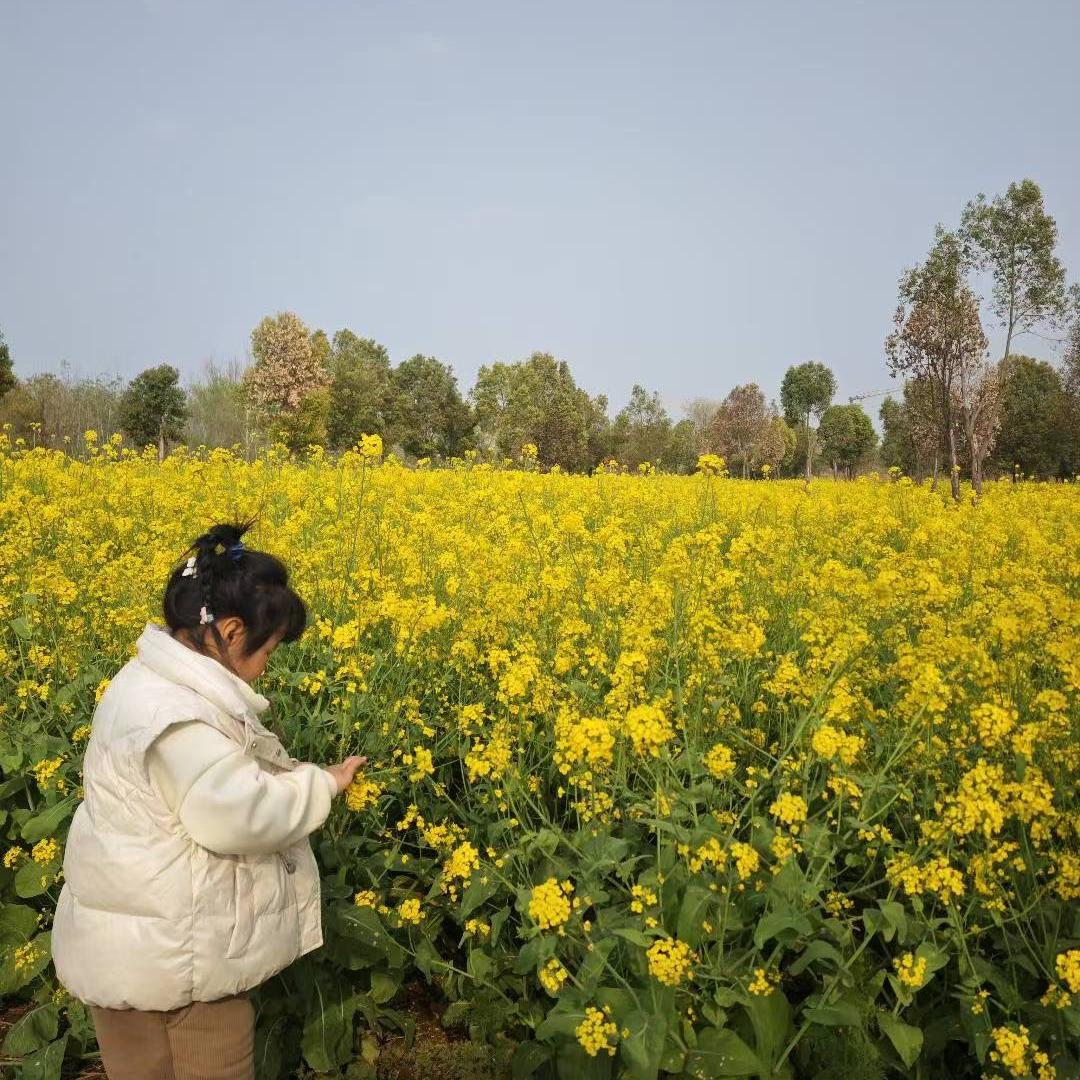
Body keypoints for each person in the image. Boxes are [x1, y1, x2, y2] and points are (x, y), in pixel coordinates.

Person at [51, 520, 366, 1080]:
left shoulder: (143, 683)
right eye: (268, 649)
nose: (270, 665)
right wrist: (323, 784)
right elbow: (240, 814)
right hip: (180, 969)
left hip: (134, 952)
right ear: (231, 629)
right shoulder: (179, 719)